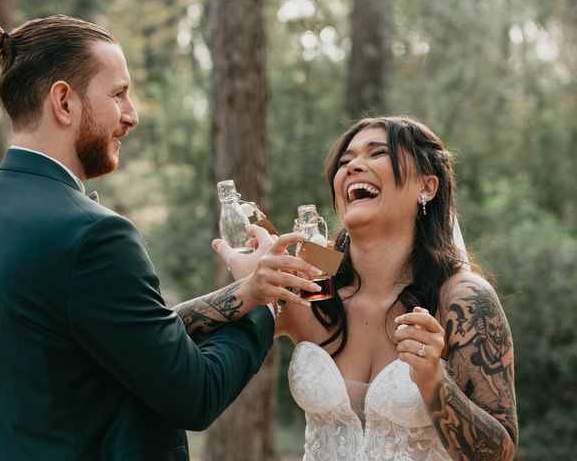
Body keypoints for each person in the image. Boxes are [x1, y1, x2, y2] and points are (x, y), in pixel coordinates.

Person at [0, 15, 322, 460]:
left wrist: (246, 290)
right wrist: (264, 309)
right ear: (64, 102)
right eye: (118, 94)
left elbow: (123, 336)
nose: (131, 114)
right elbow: (195, 393)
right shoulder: (93, 235)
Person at [216, 116, 518, 460]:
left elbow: (500, 453)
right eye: (345, 162)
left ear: (427, 187)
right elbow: (161, 337)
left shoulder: (464, 299)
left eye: (377, 154)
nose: (354, 166)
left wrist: (435, 381)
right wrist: (247, 289)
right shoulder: (312, 277)